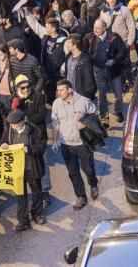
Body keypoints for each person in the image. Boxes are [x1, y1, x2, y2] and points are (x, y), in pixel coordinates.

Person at [50, 79, 99, 210]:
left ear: (69, 90)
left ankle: (93, 183)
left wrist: (86, 123)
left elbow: (95, 114)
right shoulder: (56, 104)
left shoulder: (83, 101)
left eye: (61, 90)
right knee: (73, 172)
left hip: (82, 143)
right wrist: (55, 141)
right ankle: (81, 197)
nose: (58, 92)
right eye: (57, 90)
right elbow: (55, 123)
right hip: (66, 144)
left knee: (88, 169)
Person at [0, 109, 46, 231]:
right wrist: (3, 145)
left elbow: (42, 146)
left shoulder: (34, 130)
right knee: (20, 195)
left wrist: (29, 149)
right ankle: (23, 220)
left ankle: (37, 214)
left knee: (36, 192)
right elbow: (3, 142)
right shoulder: (9, 130)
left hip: (32, 167)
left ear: (21, 122)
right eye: (10, 124)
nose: (12, 126)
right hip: (17, 169)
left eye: (14, 124)